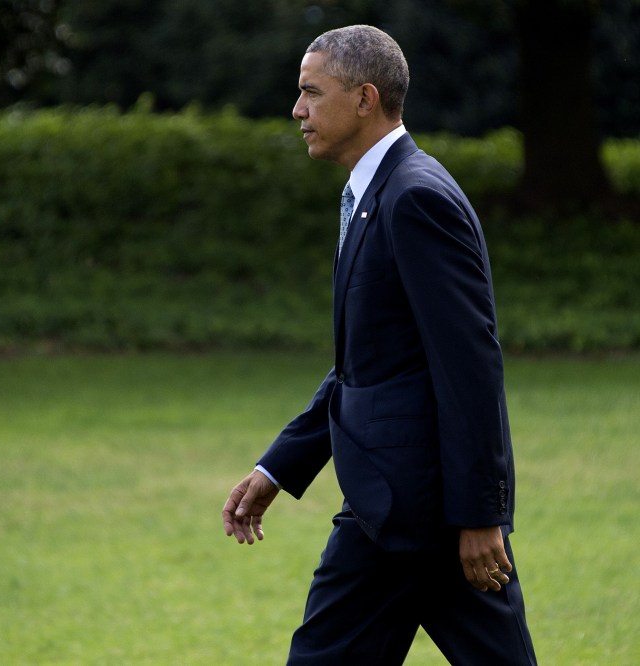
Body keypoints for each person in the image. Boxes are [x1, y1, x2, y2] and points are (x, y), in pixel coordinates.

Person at [221, 25, 537, 665]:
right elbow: (367, 367)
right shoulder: (374, 195)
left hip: (413, 513)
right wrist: (280, 466)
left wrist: (480, 517)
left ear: (365, 98)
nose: (297, 110)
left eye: (311, 92)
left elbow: (469, 366)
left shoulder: (414, 198)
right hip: (398, 508)